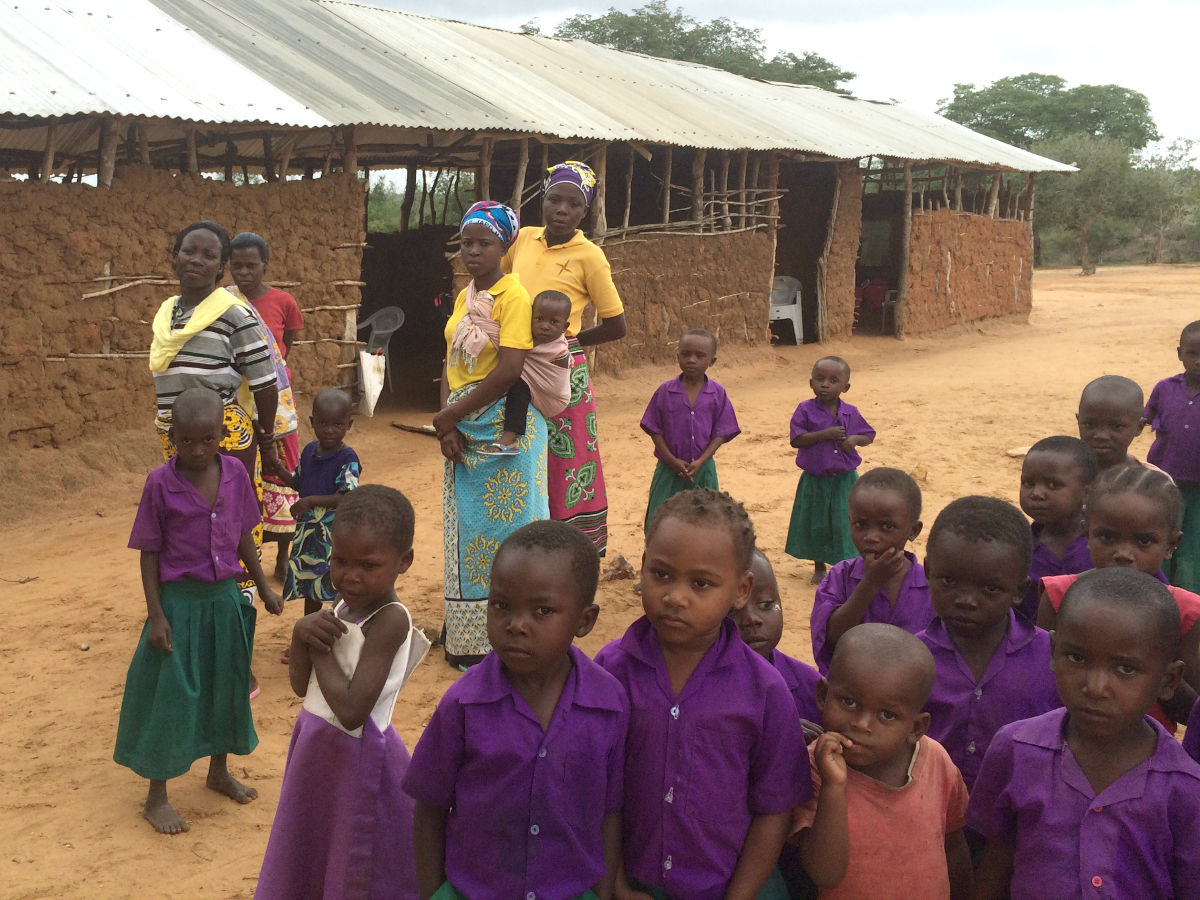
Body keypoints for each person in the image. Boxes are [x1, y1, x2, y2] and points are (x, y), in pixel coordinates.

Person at [595, 488, 807, 899]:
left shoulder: (764, 691)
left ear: (741, 590)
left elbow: (774, 809)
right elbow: (600, 791)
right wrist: (614, 882)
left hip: (735, 887)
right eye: (661, 574)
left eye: (701, 583)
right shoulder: (609, 673)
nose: (676, 596)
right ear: (641, 566)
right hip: (633, 886)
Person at [404, 521, 626, 900]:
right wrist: (433, 894)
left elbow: (610, 813)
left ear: (584, 620)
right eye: (501, 605)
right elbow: (430, 808)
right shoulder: (463, 703)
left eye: (542, 610)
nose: (516, 625)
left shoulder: (608, 704)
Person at [970, 568, 1200, 899]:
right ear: (1052, 653)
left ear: (1168, 680)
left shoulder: (1186, 790)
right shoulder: (1015, 749)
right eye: (1077, 658)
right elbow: (996, 861)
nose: (1095, 687)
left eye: (1125, 669)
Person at [113, 388, 282, 834]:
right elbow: (148, 553)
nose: (195, 449)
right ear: (173, 438)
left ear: (221, 436)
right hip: (180, 607)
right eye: (185, 441)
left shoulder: (234, 475)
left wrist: (263, 589)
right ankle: (157, 796)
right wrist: (157, 615)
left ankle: (218, 771)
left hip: (224, 600)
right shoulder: (159, 484)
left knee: (225, 688)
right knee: (174, 696)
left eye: (205, 439)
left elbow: (245, 534)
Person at [256, 485, 428, 899]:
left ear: (403, 561)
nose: (350, 576)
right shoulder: (342, 607)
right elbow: (302, 687)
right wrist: (301, 635)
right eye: (339, 561)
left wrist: (318, 649)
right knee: (312, 845)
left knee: (354, 861)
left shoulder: (390, 620)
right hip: (316, 746)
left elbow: (352, 710)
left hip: (358, 756)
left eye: (368, 565)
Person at [435, 201, 548, 669]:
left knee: (511, 535)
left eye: (485, 243)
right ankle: (466, 635)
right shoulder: (465, 297)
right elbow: (450, 361)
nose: (474, 251)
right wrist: (446, 419)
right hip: (463, 423)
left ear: (505, 246)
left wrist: (451, 415)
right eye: (467, 242)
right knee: (466, 535)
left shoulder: (513, 297)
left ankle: (516, 636)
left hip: (505, 430)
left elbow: (509, 370)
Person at [792, 624, 971, 900]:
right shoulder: (814, 767)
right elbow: (824, 874)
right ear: (823, 696)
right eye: (849, 702)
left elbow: (954, 844)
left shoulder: (935, 759)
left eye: (887, 715)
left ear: (916, 728)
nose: (862, 724)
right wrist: (835, 787)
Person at [503, 160, 627, 555]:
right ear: (542, 200)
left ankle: (569, 551)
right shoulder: (522, 239)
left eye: (573, 203)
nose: (561, 209)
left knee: (566, 458)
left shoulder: (590, 256)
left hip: (560, 371)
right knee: (516, 448)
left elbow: (616, 324)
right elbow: (501, 286)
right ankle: (521, 541)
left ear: (584, 211)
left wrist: (568, 341)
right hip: (512, 360)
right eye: (554, 199)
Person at [917, 497, 1061, 796]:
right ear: (928, 572)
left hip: (1017, 821)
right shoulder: (908, 660)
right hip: (929, 817)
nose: (967, 600)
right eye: (949, 581)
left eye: (990, 589)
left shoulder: (1054, 660)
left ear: (1019, 591)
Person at [1038, 464, 1200, 730]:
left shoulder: (1185, 611)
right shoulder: (1059, 597)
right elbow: (1041, 680)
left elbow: (1189, 707)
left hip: (1147, 752)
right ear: (1086, 534)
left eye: (1144, 541)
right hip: (1064, 739)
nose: (1123, 553)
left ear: (1171, 544)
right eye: (1108, 536)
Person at [229, 232, 304, 578]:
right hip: (238, 400)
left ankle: (283, 554)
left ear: (265, 265)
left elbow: (283, 345)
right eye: (236, 265)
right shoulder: (224, 302)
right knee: (242, 474)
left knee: (281, 468)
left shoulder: (283, 302)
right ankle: (245, 555)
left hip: (273, 395)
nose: (243, 272)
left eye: (251, 265)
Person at [809, 467, 929, 674]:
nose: (871, 537)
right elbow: (832, 639)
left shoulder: (930, 584)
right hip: (851, 691)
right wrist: (869, 583)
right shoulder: (840, 577)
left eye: (886, 527)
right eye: (861, 524)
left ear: (913, 530)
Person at [785, 357, 875, 584]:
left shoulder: (850, 412)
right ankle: (819, 567)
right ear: (810, 382)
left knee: (845, 521)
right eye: (820, 379)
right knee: (817, 522)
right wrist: (823, 435)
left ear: (845, 387)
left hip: (845, 479)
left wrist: (854, 439)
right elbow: (796, 440)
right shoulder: (805, 410)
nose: (825, 384)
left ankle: (846, 565)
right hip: (814, 479)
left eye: (833, 380)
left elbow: (869, 435)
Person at [640, 328, 741, 531]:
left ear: (712, 361)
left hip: (703, 471)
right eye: (686, 354)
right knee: (659, 521)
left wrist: (701, 461)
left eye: (700, 356)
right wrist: (672, 460)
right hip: (668, 471)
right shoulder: (665, 391)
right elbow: (654, 429)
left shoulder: (717, 393)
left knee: (706, 522)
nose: (692, 360)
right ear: (677, 357)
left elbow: (721, 432)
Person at [280, 388, 360, 617]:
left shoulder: (347, 458)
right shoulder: (308, 452)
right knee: (311, 587)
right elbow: (299, 482)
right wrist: (278, 470)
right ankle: (310, 633)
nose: (329, 431)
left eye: (337, 425)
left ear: (349, 424)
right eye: (323, 424)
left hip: (333, 536)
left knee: (337, 585)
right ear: (312, 422)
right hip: (308, 536)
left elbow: (347, 497)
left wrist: (309, 502)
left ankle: (343, 629)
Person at [730, 548, 821, 726]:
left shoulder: (810, 687)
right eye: (731, 610)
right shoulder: (693, 690)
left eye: (766, 604)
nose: (751, 619)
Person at [1142, 320, 1200, 592]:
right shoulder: (1164, 389)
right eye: (1193, 353)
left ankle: (1189, 598)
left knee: (1192, 545)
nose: (1199, 360)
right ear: (1180, 354)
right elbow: (1142, 419)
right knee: (1160, 538)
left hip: (1198, 486)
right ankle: (1157, 591)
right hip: (1164, 482)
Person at [1017, 436, 1096, 623]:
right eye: (1028, 483)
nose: (1036, 493)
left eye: (1053, 485)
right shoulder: (1017, 548)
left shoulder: (1106, 545)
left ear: (1087, 493)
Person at [485, 289, 573, 455]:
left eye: (554, 322)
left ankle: (510, 438)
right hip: (534, 387)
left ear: (565, 327)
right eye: (539, 319)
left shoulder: (559, 350)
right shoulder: (523, 336)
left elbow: (551, 376)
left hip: (554, 396)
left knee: (516, 384)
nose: (545, 326)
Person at [1075, 374, 1147, 473]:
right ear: (1078, 421)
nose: (1101, 436)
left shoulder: (1153, 482)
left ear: (1139, 427)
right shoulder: (1059, 474)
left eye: (1116, 426)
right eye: (1090, 425)